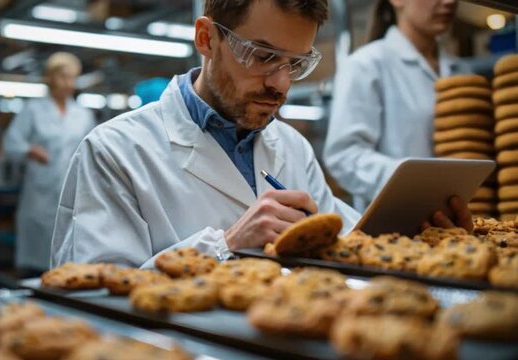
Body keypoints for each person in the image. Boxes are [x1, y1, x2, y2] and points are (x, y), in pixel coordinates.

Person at [51, 0, 472, 269]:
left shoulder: (291, 147)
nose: (281, 85)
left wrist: (426, 231)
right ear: (206, 38)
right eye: (264, 55)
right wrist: (225, 246)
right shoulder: (113, 152)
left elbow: (348, 241)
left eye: (296, 63)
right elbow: (95, 304)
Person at [324, 0, 464, 212]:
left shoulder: (463, 71)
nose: (449, 2)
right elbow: (344, 156)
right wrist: (418, 181)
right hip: (394, 229)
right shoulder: (366, 64)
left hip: (463, 221)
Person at [3, 52, 96, 272]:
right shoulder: (33, 110)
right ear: (50, 77)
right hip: (40, 195)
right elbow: (10, 143)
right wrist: (29, 150)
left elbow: (93, 149)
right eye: (63, 76)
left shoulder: (83, 114)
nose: (68, 83)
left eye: (72, 78)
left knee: (69, 259)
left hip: (75, 192)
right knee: (38, 262)